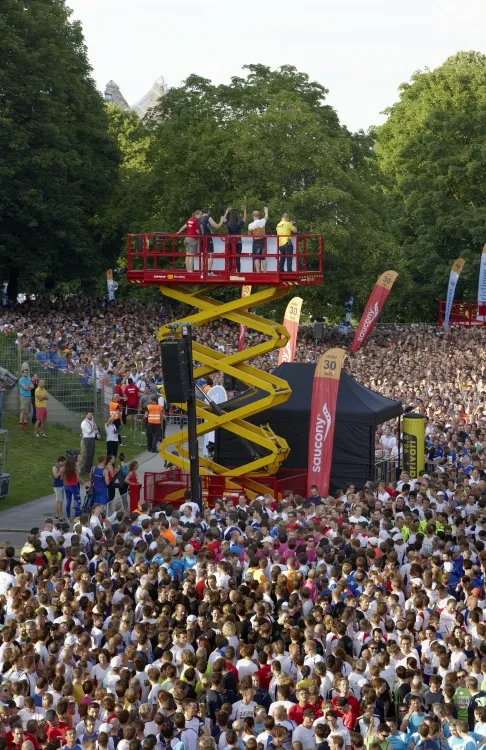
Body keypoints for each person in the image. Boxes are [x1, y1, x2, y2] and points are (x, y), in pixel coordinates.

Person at [198, 207, 225, 274]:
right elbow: (217, 226)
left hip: (201, 238)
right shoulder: (209, 218)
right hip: (208, 238)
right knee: (210, 254)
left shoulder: (199, 218)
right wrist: (221, 220)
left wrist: (209, 231)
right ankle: (208, 271)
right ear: (208, 212)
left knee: (202, 255)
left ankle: (202, 271)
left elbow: (199, 230)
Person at [225, 207, 247, 273]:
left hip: (230, 242)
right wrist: (245, 211)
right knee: (238, 258)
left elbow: (224, 219)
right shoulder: (239, 223)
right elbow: (244, 219)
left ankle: (230, 271)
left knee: (230, 257)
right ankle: (238, 272)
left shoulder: (228, 224)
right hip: (238, 242)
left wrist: (226, 211)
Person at [248, 206, 269, 273]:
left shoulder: (250, 225)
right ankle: (265, 271)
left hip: (256, 241)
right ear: (259, 216)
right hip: (263, 241)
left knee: (256, 258)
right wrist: (266, 211)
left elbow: (250, 235)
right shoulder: (262, 221)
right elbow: (266, 217)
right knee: (263, 257)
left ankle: (258, 272)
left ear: (252, 216)